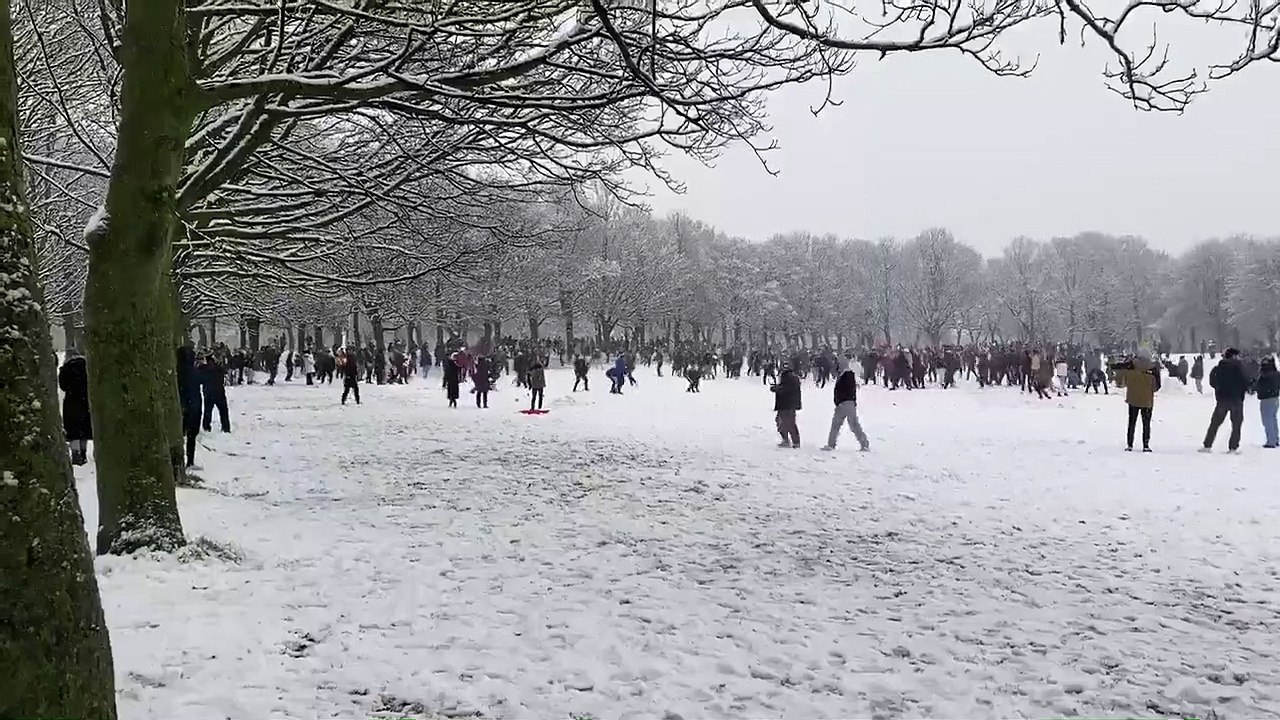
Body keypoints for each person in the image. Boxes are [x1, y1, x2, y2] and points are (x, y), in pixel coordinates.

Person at [1201, 348, 1249, 453]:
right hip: (1236, 399)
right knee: (1236, 425)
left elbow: (1212, 380)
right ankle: (1233, 447)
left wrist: (1219, 389)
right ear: (1234, 356)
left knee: (1215, 423)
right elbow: (1246, 382)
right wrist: (1241, 391)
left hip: (1222, 399)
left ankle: (1207, 445)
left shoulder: (1218, 367)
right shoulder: (1240, 368)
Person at [1110, 350, 1159, 452]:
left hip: (1133, 398)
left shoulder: (1131, 365)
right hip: (1147, 401)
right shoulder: (1153, 369)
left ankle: (1130, 444)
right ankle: (1146, 445)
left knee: (1132, 422)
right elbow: (1156, 387)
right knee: (1146, 424)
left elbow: (1118, 373)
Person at [58, 348, 92, 466]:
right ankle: (83, 452)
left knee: (74, 429)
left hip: (71, 402)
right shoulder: (87, 366)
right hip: (86, 401)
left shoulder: (66, 368)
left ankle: (76, 453)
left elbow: (63, 386)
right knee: (84, 428)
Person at [822, 366, 869, 452]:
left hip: (844, 403)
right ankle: (864, 443)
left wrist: (839, 400)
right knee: (852, 424)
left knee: (838, 424)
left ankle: (831, 444)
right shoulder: (847, 376)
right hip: (847, 403)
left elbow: (844, 391)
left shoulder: (845, 377)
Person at [176, 345, 202, 468]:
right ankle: (189, 460)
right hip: (193, 405)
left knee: (180, 434)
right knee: (191, 435)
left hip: (182, 405)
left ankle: (178, 461)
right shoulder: (194, 371)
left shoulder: (177, 371)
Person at [198, 352, 231, 433]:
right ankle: (226, 427)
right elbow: (223, 372)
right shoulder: (218, 368)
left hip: (208, 393)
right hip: (219, 392)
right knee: (223, 411)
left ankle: (206, 427)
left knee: (207, 411)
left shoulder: (204, 369)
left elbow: (200, 379)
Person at [770, 366, 802, 448]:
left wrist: (776, 388)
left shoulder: (788, 377)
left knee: (787, 423)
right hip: (788, 405)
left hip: (787, 405)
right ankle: (791, 440)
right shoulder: (792, 377)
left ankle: (792, 441)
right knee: (784, 422)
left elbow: (786, 390)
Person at [1256, 357, 1279, 448]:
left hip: (1266, 399)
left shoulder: (1264, 375)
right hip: (1275, 398)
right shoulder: (1276, 374)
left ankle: (1271, 441)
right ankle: (1275, 439)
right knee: (1273, 419)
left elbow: (1259, 386)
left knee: (1267, 420)